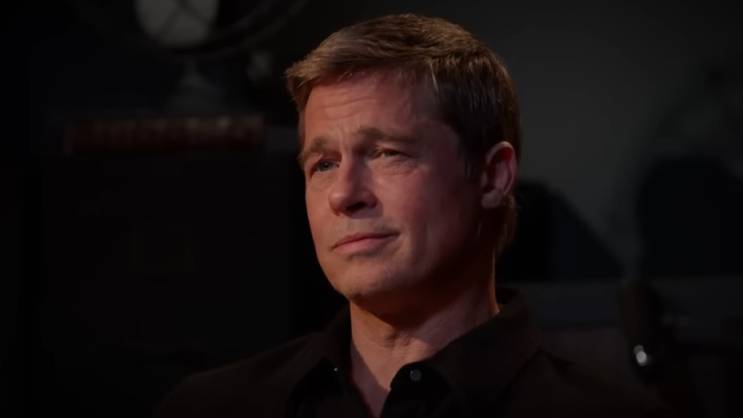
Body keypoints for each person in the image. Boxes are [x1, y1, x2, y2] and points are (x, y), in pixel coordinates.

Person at [155, 14, 671, 418]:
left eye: (387, 153)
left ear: (493, 176)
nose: (344, 195)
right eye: (324, 164)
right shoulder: (209, 409)